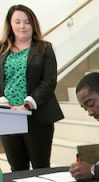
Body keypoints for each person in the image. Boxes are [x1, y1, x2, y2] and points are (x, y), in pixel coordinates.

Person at [0, 5, 64, 171]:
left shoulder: (44, 48)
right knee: (17, 169)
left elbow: (49, 81)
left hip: (37, 116)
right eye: (18, 22)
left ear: (33, 24)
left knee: (40, 168)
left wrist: (27, 104)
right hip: (9, 117)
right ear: (10, 24)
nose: (22, 26)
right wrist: (3, 101)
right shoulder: (1, 50)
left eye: (27, 22)